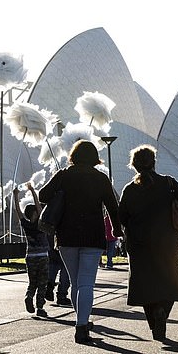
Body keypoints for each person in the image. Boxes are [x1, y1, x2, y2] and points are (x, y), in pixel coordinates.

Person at [39, 140, 123, 345]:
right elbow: (113, 206)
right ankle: (81, 325)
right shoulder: (100, 178)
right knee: (86, 283)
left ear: (74, 156)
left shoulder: (64, 175)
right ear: (94, 157)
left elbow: (43, 196)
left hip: (66, 237)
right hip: (93, 236)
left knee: (76, 282)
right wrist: (116, 228)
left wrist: (60, 187)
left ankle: (82, 321)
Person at [118, 144, 178, 342]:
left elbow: (122, 217)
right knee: (171, 280)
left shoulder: (130, 189)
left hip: (139, 244)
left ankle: (156, 327)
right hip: (167, 241)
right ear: (154, 162)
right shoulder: (168, 183)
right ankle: (163, 311)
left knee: (145, 286)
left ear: (134, 165)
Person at [13, 183, 49, 318]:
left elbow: (18, 211)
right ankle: (40, 307)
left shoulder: (26, 224)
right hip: (42, 256)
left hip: (30, 256)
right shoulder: (40, 223)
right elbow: (40, 207)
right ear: (35, 213)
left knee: (32, 282)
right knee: (42, 283)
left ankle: (29, 296)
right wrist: (33, 191)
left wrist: (16, 195)